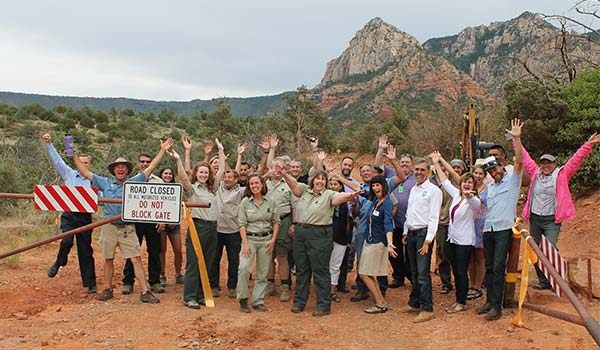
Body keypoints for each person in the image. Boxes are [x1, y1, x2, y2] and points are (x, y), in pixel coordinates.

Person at [72, 138, 173, 304]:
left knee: (135, 258)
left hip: (128, 228)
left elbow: (152, 167)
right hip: (109, 227)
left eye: (123, 167)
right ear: (114, 171)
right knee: (108, 258)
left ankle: (145, 291)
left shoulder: (134, 182)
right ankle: (108, 289)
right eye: (118, 167)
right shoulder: (105, 182)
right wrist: (75, 156)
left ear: (127, 170)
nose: (120, 169)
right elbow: (85, 173)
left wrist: (162, 150)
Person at [519, 132, 600, 290]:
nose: (545, 166)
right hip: (535, 218)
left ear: (555, 164)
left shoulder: (561, 174)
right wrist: (516, 140)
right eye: (543, 163)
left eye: (549, 163)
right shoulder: (535, 173)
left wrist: (588, 144)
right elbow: (525, 157)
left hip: (551, 220)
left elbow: (576, 160)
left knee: (549, 248)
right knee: (534, 249)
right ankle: (543, 281)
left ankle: (556, 278)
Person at [283, 168, 363, 317]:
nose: (320, 182)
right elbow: (293, 185)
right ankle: (299, 303)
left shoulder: (329, 195)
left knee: (320, 271)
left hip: (320, 235)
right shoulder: (304, 190)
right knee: (302, 269)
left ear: (326, 183)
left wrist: (351, 195)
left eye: (323, 180)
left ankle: (323, 305)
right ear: (312, 180)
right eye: (317, 179)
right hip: (301, 233)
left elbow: (340, 197)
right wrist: (283, 172)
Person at [476, 118, 523, 321]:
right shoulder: (491, 187)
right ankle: (489, 301)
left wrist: (517, 139)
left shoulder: (512, 181)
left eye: (495, 169)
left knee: (498, 267)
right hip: (489, 229)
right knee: (488, 267)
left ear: (502, 166)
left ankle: (497, 305)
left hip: (504, 229)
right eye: (490, 171)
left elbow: (520, 161)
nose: (494, 173)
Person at [42, 133, 97, 294]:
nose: (84, 164)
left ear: (90, 165)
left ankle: (90, 283)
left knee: (85, 249)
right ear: (78, 161)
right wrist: (49, 144)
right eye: (82, 161)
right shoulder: (69, 174)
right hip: (69, 215)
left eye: (87, 163)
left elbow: (98, 199)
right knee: (66, 241)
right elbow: (57, 161)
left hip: (85, 218)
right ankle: (60, 261)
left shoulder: (93, 180)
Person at [431, 152, 481, 313]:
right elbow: (445, 181)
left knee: (461, 271)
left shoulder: (474, 201)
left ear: (474, 186)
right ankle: (459, 299)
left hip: (464, 242)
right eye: (465, 182)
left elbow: (475, 205)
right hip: (453, 240)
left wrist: (469, 197)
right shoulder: (456, 195)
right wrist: (436, 162)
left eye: (470, 183)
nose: (467, 185)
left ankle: (461, 302)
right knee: (455, 269)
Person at [169, 148, 218, 309]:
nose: (203, 175)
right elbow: (183, 178)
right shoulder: (192, 189)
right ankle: (189, 296)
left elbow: (222, 170)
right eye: (201, 172)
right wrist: (178, 160)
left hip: (212, 228)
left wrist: (222, 153)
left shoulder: (212, 189)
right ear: (196, 174)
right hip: (197, 227)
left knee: (208, 262)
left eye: (206, 172)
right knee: (194, 263)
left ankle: (201, 294)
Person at [399, 158, 442, 323]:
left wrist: (428, 240)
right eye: (416, 169)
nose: (418, 172)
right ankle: (414, 303)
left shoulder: (433, 191)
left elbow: (434, 217)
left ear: (428, 171)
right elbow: (410, 212)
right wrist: (405, 232)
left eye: (422, 170)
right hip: (410, 233)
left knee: (423, 273)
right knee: (414, 271)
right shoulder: (413, 189)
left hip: (423, 235)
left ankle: (427, 308)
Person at [122, 153, 165, 295]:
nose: (145, 164)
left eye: (148, 161)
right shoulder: (132, 181)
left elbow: (165, 202)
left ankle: (155, 281)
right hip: (136, 222)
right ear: (137, 162)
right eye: (142, 161)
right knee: (132, 251)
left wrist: (162, 220)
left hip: (154, 222)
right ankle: (128, 282)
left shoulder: (159, 181)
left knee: (154, 251)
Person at [236, 174, 280, 312]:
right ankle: (243, 299)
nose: (254, 186)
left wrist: (273, 240)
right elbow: (242, 224)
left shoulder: (271, 202)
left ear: (262, 184)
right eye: (252, 184)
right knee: (244, 269)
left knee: (262, 272)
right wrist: (246, 244)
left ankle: (258, 301)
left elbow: (276, 222)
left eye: (257, 183)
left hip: (266, 240)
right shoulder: (245, 202)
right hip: (249, 239)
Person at [212, 139, 246, 298]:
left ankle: (232, 286)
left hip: (233, 231)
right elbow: (220, 172)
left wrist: (239, 156)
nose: (227, 179)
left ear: (236, 179)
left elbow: (237, 171)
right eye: (226, 177)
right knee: (214, 259)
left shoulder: (241, 192)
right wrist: (220, 150)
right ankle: (213, 286)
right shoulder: (218, 187)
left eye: (230, 178)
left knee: (234, 261)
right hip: (217, 230)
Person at [358, 175, 396, 314]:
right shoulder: (375, 200)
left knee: (364, 274)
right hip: (370, 241)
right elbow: (359, 190)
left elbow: (388, 224)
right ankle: (381, 302)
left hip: (377, 244)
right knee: (368, 274)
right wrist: (340, 177)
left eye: (377, 185)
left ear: (383, 186)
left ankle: (380, 303)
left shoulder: (387, 203)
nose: (375, 188)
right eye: (373, 186)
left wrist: (390, 243)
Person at [264, 156, 296, 302]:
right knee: (268, 254)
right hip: (267, 222)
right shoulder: (264, 184)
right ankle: (270, 284)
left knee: (282, 255)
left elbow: (294, 205)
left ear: (285, 169)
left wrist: (294, 223)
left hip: (284, 221)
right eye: (274, 167)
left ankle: (285, 286)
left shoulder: (289, 184)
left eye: (280, 167)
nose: (276, 170)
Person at [157, 167, 183, 287]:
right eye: (165, 173)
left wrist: (175, 220)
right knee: (162, 250)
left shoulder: (176, 189)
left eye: (170, 174)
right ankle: (161, 274)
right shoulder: (156, 188)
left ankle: (178, 274)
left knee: (178, 249)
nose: (168, 175)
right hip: (161, 224)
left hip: (174, 224)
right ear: (161, 175)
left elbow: (178, 206)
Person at [328, 177, 352, 302]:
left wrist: (347, 239)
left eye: (335, 184)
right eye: (330, 184)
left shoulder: (345, 203)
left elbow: (348, 221)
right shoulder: (324, 200)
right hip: (325, 237)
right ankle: (322, 290)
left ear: (341, 187)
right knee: (323, 264)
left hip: (340, 237)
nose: (332, 186)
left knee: (335, 265)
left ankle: (332, 291)